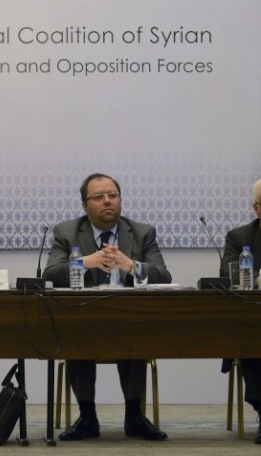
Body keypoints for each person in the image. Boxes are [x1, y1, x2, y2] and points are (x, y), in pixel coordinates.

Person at [42, 173, 171, 442]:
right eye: (99, 197)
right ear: (84, 205)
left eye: (112, 195)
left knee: (134, 337)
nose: (107, 201)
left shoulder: (141, 232)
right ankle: (87, 417)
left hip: (128, 318)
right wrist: (84, 262)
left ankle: (134, 416)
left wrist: (130, 265)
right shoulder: (66, 232)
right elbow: (51, 274)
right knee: (76, 336)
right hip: (84, 319)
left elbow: (163, 275)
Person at [220, 178, 261, 444]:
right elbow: (229, 275)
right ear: (257, 208)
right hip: (254, 322)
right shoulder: (240, 238)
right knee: (253, 340)